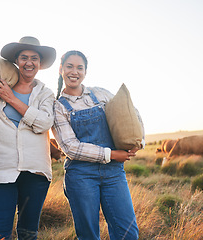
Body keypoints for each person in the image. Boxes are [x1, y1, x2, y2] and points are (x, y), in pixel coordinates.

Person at [0, 36, 56, 240]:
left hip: (35, 173)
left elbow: (44, 123)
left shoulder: (45, 94)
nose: (29, 62)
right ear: (16, 61)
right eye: (24, 57)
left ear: (40, 64)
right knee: (0, 234)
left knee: (27, 233)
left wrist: (12, 99)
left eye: (34, 58)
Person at [52, 50, 144, 240]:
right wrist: (111, 154)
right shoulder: (58, 106)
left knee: (127, 232)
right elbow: (71, 147)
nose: (74, 72)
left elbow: (131, 111)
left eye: (80, 67)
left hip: (113, 174)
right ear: (61, 69)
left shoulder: (100, 93)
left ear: (85, 71)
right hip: (81, 175)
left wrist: (139, 141)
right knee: (89, 235)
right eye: (69, 66)